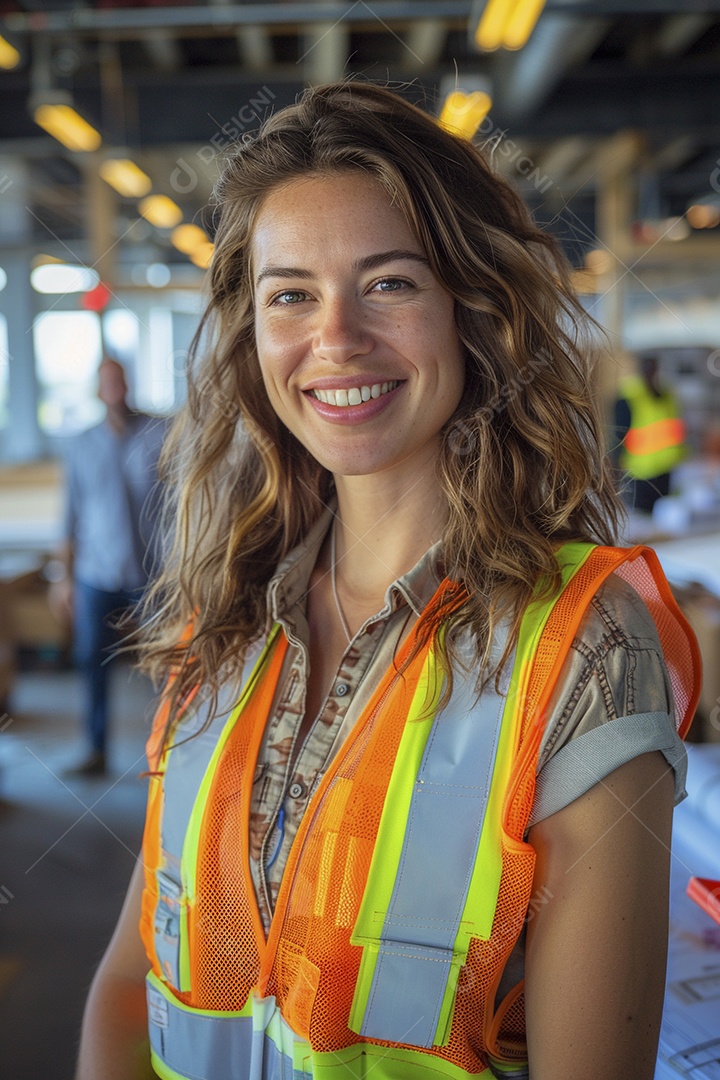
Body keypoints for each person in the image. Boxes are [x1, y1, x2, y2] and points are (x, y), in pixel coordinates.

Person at [75, 83, 700, 1080]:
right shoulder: (225, 621)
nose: (336, 339)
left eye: (389, 284)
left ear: (473, 306)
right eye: (291, 295)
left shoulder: (579, 651)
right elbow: (126, 986)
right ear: (254, 333)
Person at [51, 357, 165, 776]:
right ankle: (95, 750)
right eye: (107, 383)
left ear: (128, 385)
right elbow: (69, 517)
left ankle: (168, 751)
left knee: (164, 664)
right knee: (91, 660)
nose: (115, 388)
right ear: (98, 391)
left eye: (120, 380)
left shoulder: (160, 433)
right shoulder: (80, 445)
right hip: (96, 574)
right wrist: (64, 580)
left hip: (154, 575)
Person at [614, 354, 687, 514]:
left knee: (665, 517)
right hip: (641, 475)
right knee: (643, 520)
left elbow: (675, 430)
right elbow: (617, 438)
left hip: (667, 470)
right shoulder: (629, 396)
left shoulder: (667, 394)